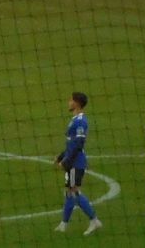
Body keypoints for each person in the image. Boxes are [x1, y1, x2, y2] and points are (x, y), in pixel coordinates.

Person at [55, 91, 100, 234]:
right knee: (69, 192)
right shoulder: (75, 120)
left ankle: (94, 220)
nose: (69, 102)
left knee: (73, 192)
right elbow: (71, 143)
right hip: (71, 161)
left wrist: (66, 161)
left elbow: (79, 143)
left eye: (71, 100)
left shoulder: (80, 121)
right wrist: (61, 156)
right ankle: (64, 223)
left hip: (76, 163)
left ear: (77, 103)